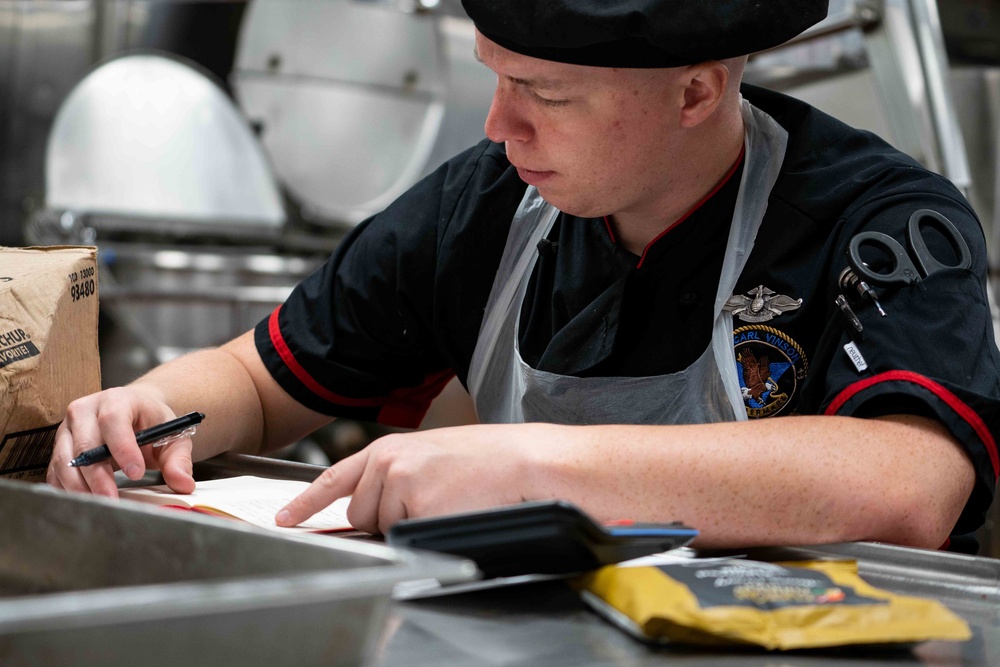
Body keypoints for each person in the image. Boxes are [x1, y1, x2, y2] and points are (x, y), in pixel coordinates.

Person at [48, 0, 998, 553]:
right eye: (496, 78)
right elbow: (262, 380)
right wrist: (151, 404)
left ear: (696, 92)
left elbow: (910, 481)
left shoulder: (876, 219)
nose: (501, 126)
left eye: (546, 94)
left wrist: (538, 466)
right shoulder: (483, 204)